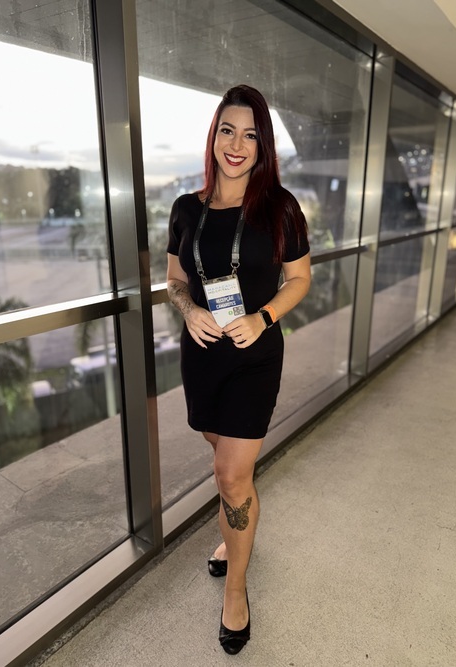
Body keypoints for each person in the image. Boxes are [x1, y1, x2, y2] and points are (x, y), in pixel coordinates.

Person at [166, 84, 311, 655]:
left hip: (255, 355)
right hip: (203, 355)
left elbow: (299, 279)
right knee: (229, 464)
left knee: (230, 475)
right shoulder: (186, 209)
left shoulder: (281, 208)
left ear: (262, 146)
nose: (237, 144)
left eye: (251, 135)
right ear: (214, 136)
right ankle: (234, 535)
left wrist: (263, 316)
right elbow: (174, 281)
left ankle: (237, 590)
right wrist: (189, 309)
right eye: (228, 130)